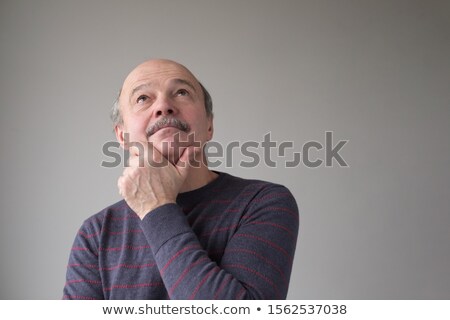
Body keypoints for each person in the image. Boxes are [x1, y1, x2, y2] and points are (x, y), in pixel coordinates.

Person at [63, 59, 299, 299]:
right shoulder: (96, 234)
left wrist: (157, 208)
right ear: (122, 136)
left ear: (209, 125)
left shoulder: (264, 203)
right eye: (143, 98)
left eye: (182, 92)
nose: (164, 106)